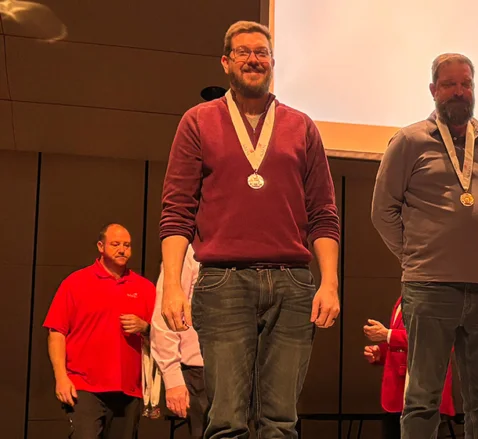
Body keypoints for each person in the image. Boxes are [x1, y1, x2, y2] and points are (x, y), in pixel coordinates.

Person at [159, 20, 341, 438]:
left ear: (273, 63)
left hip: (293, 284)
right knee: (225, 421)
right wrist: (171, 285)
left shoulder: (302, 126)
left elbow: (324, 213)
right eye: (243, 52)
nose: (253, 59)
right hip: (223, 282)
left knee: (281, 421)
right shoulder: (198, 122)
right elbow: (176, 212)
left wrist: (328, 282)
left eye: (261, 53)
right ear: (226, 62)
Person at [371, 53, 478, 438]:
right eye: (450, 84)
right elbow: (382, 210)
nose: (459, 91)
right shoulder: (409, 140)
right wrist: (416, 256)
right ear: (434, 90)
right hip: (429, 287)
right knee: (422, 399)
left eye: (466, 84)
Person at [43, 224, 156, 439]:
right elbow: (56, 332)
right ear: (100, 246)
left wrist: (145, 327)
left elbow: (164, 335)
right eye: (115, 244)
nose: (122, 250)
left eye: (127, 245)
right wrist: (61, 377)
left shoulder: (144, 288)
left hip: (129, 389)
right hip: (84, 386)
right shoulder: (76, 283)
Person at [363, 296, 456, 438]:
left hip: (426, 396)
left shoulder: (440, 299)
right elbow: (407, 343)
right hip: (396, 398)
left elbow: (438, 341)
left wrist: (388, 335)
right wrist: (380, 353)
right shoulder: (403, 298)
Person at [150, 244, 206, 438]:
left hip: (241, 370)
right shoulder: (189, 251)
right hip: (199, 371)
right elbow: (165, 316)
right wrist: (172, 377)